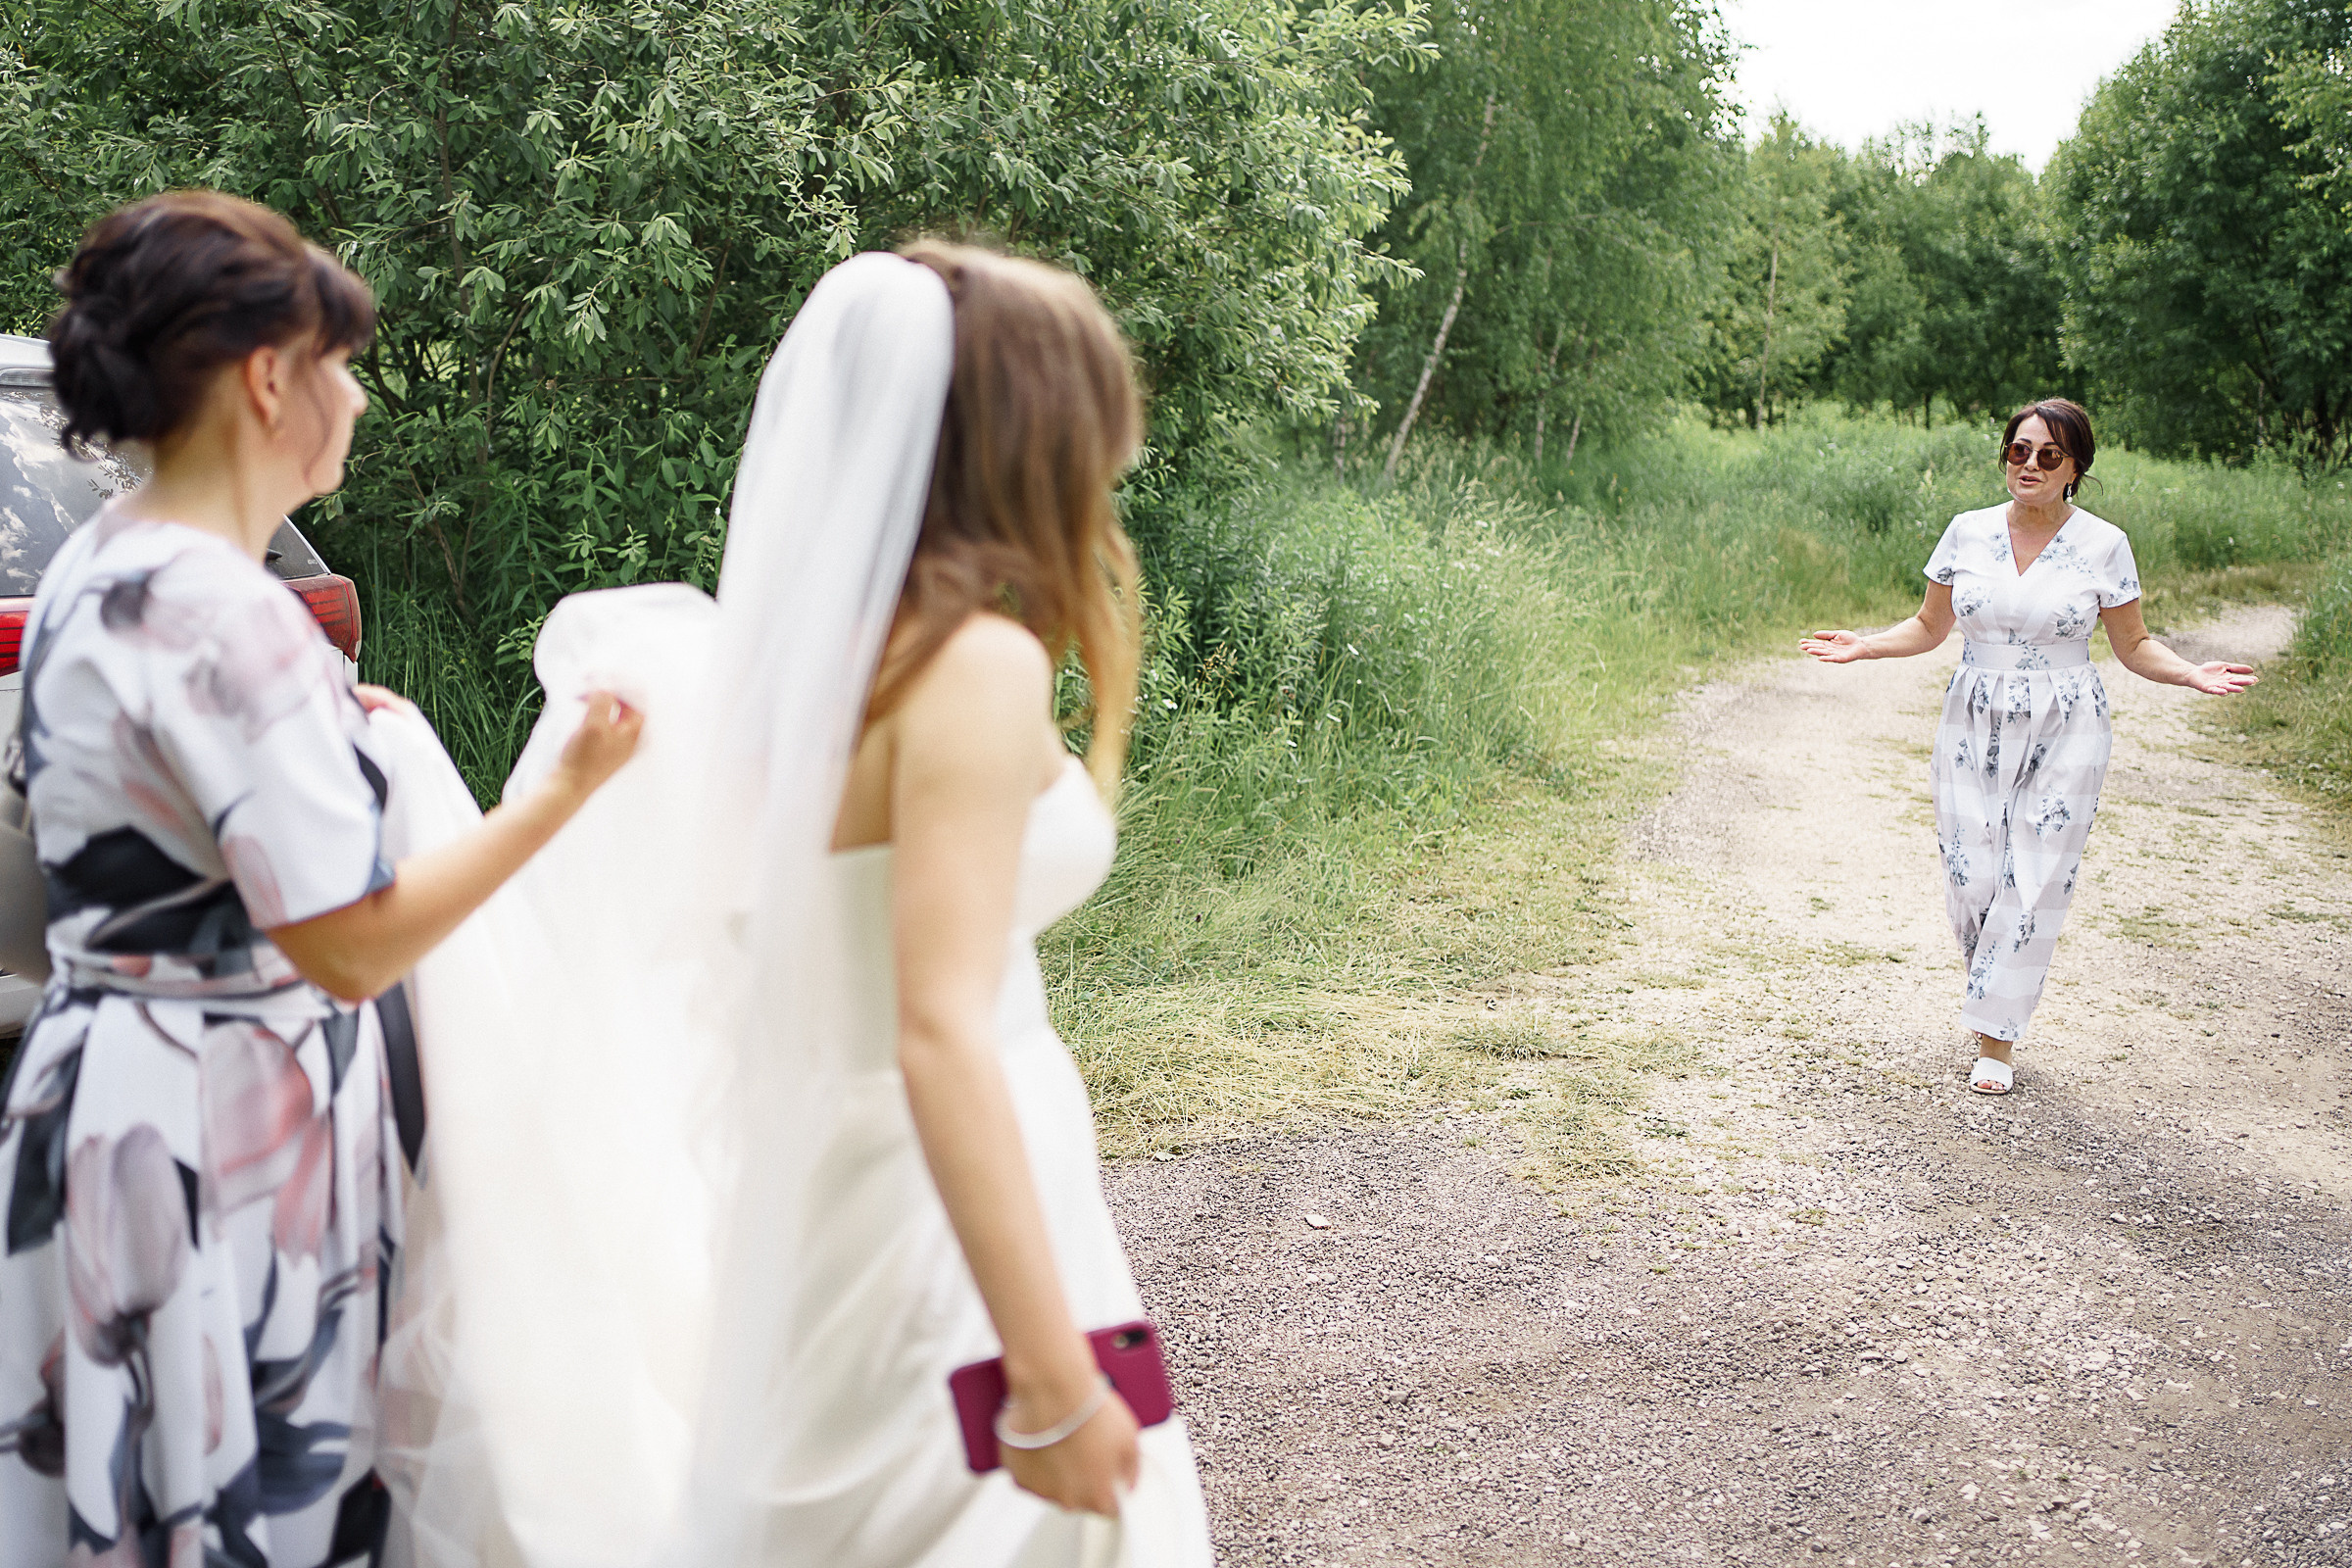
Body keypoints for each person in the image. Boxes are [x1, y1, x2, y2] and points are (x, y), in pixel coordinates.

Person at [375, 246, 1210, 1567]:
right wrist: (1049, 1377)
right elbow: (935, 1031)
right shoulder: (972, 669)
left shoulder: (803, 684)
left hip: (829, 1205)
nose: (1117, 451)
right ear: (1022, 437)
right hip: (947, 1216)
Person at [0, 191, 641, 1568]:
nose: (351, 397)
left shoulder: (99, 571)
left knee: (139, 1488)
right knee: (249, 1511)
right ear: (266, 377)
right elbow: (350, 945)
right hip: (220, 1128)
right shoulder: (231, 612)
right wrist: (562, 794)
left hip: (102, 1095)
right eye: (338, 364)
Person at [1799, 399, 2257, 1095]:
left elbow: (2131, 644)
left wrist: (2190, 671)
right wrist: (1866, 645)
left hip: (2066, 724)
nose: (2030, 466)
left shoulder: (2105, 544)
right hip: (1972, 716)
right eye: (2019, 451)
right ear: (2006, 457)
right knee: (1972, 877)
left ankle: (1996, 1041)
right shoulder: (1967, 533)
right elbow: (1928, 627)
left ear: (2075, 467)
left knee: (2033, 879)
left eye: (2048, 455)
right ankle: (1996, 994)